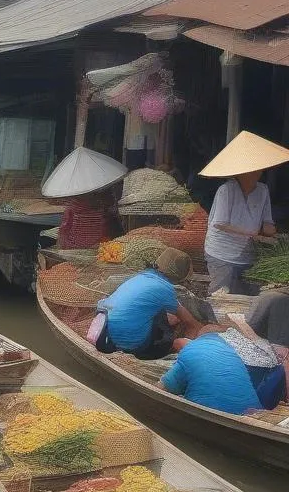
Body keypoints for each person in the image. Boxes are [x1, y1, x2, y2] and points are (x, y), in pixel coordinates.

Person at [200, 130, 289, 295]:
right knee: (221, 293)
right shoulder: (226, 190)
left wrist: (270, 232)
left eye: (259, 170)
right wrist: (251, 233)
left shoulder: (263, 191)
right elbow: (219, 223)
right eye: (253, 170)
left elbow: (267, 222)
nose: (257, 174)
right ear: (241, 173)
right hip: (221, 253)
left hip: (245, 254)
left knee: (244, 295)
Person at [91, 248, 208, 359]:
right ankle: (167, 348)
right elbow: (188, 320)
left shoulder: (141, 277)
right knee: (172, 333)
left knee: (164, 315)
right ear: (178, 274)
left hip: (104, 335)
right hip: (132, 345)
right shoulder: (164, 287)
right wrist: (199, 329)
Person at [160, 332, 261, 415]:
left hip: (210, 416)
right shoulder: (231, 354)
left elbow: (163, 389)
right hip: (252, 413)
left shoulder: (189, 354)